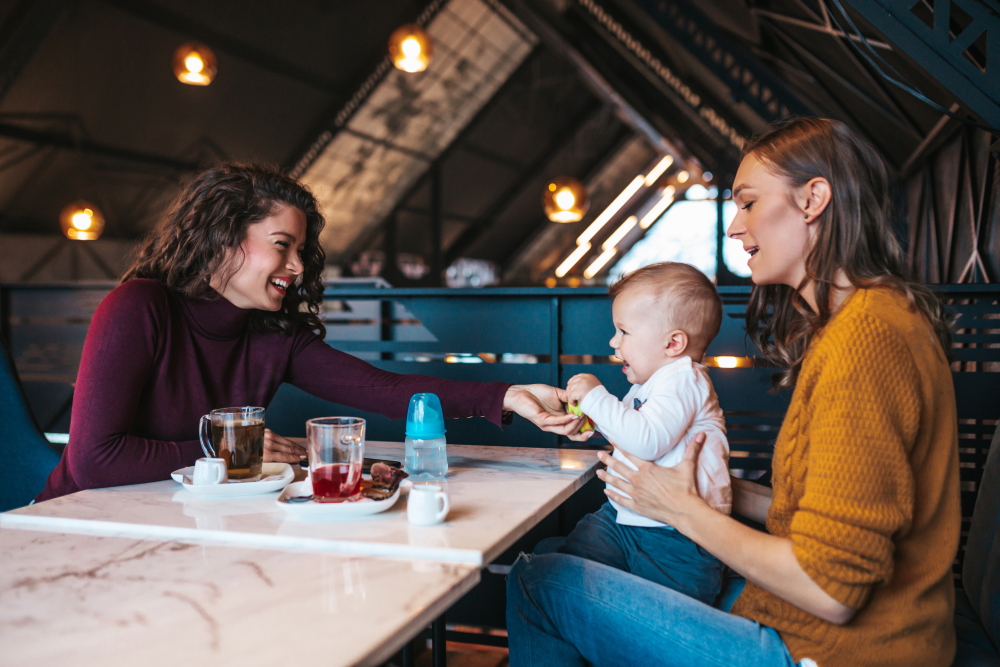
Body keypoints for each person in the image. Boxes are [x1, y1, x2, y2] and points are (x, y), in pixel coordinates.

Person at [509, 117, 960, 667]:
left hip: (831, 650)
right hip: (796, 621)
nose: (733, 228)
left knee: (538, 580)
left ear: (813, 199)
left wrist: (682, 511)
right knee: (561, 555)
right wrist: (701, 486)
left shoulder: (867, 340)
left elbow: (832, 592)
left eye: (747, 203)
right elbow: (823, 518)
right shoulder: (859, 324)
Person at [37, 164, 583, 501]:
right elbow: (93, 461)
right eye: (282, 245)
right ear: (224, 238)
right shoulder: (138, 308)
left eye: (301, 250)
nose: (297, 266)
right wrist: (223, 455)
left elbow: (383, 390)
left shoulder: (273, 336)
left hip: (185, 525)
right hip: (74, 525)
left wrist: (507, 394)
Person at [559, 262, 730, 605]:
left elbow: (647, 441)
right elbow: (631, 431)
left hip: (677, 541)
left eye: (624, 331)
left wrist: (595, 396)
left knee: (562, 581)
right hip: (624, 519)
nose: (613, 341)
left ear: (673, 343)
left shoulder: (684, 379)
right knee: (558, 569)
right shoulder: (651, 384)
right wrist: (592, 420)